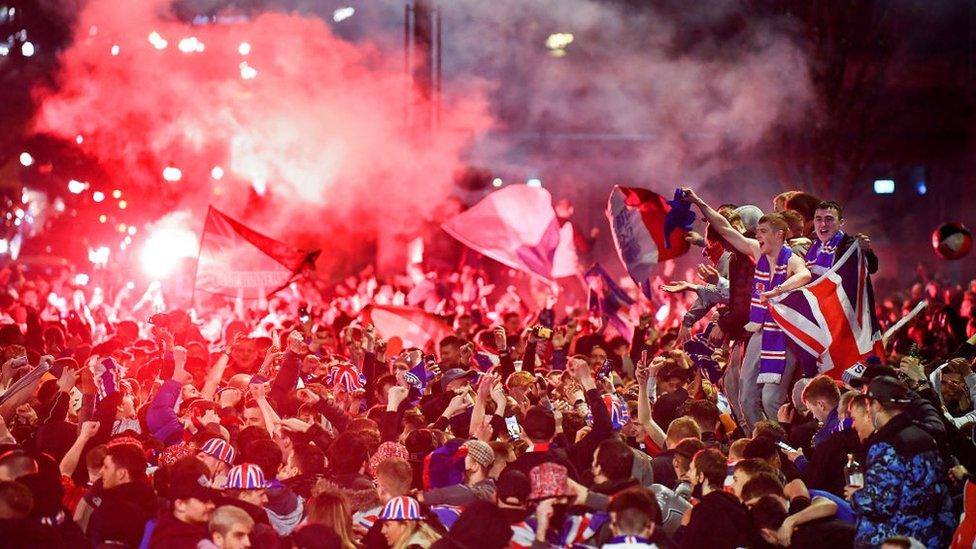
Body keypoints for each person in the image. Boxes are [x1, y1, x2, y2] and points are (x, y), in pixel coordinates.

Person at [683, 188, 812, 429]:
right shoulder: (755, 250)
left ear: (779, 235)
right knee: (745, 397)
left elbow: (804, 274)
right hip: (760, 329)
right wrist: (698, 201)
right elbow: (724, 229)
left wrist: (779, 289)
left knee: (770, 399)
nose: (757, 236)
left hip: (785, 332)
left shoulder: (791, 257)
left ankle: (784, 450)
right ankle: (761, 444)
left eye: (763, 232)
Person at [847, 376, 955, 548]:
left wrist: (855, 496)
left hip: (903, 537)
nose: (868, 411)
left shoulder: (885, 445)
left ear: (877, 405)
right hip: (935, 533)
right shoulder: (924, 435)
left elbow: (881, 504)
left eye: (868, 405)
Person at [677, 448, 753, 548]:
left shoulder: (703, 511)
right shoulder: (736, 506)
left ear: (701, 476)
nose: (687, 474)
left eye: (691, 469)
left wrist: (683, 527)